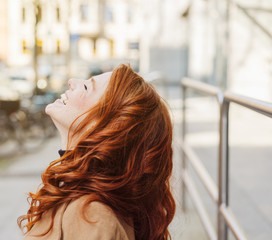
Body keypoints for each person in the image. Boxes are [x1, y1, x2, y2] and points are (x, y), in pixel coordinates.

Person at [18, 64, 175, 240]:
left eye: (86, 87)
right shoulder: (84, 195)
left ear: (111, 126)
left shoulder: (91, 215)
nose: (72, 82)